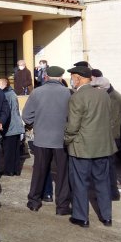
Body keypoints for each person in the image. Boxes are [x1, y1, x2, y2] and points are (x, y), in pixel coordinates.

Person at [65, 66, 115, 228]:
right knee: (102, 182)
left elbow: (73, 126)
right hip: (102, 146)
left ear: (78, 78)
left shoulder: (77, 97)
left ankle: (81, 217)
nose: (71, 80)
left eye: (72, 77)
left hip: (82, 147)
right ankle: (107, 216)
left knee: (80, 183)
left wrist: (66, 139)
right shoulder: (103, 95)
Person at [23, 66, 71, 214]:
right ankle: (62, 206)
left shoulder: (37, 92)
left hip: (42, 139)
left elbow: (26, 116)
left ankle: (34, 202)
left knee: (39, 171)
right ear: (61, 77)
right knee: (63, 174)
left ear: (46, 77)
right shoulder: (68, 93)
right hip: (61, 140)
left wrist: (35, 124)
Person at [91, 76, 121, 201]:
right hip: (107, 135)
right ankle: (108, 192)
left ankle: (112, 193)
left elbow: (111, 120)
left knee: (108, 166)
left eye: (96, 88)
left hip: (112, 136)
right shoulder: (107, 96)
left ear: (103, 88)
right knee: (105, 166)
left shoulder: (114, 98)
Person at [0, 78, 24, 176]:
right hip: (16, 125)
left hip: (10, 126)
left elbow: (6, 112)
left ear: (3, 85)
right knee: (15, 150)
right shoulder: (12, 93)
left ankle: (9, 170)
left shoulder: (6, 95)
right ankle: (16, 169)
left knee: (9, 150)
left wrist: (1, 123)